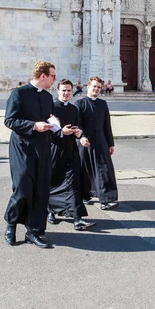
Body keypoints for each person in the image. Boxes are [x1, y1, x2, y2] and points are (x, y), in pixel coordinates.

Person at [4, 60, 57, 249]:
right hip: (23, 147)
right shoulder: (19, 93)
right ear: (43, 76)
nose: (54, 79)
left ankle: (34, 231)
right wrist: (34, 125)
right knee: (22, 187)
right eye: (52, 75)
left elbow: (49, 117)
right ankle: (11, 224)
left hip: (43, 146)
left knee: (41, 188)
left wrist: (55, 124)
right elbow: (10, 120)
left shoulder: (48, 97)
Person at [48, 79, 96, 231]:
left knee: (73, 182)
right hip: (55, 149)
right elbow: (48, 131)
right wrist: (61, 132)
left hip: (71, 150)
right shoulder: (52, 107)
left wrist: (81, 136)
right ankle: (50, 211)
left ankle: (77, 218)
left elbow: (78, 127)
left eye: (69, 90)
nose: (67, 93)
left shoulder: (74, 109)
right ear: (58, 91)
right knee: (53, 181)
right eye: (64, 90)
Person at [75, 76, 119, 210]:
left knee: (104, 169)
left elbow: (107, 125)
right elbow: (77, 124)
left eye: (99, 87)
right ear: (88, 86)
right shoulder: (79, 103)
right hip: (85, 141)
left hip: (101, 140)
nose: (96, 89)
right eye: (94, 86)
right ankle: (85, 195)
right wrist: (81, 136)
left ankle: (106, 199)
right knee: (85, 169)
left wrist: (111, 143)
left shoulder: (102, 104)